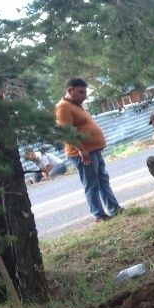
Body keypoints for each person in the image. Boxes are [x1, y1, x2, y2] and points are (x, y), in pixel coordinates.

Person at [55, 78, 122, 223]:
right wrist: (81, 149)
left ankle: (114, 209)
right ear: (70, 90)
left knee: (103, 181)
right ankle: (99, 215)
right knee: (92, 184)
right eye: (80, 92)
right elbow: (66, 132)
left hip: (93, 150)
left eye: (85, 92)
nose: (84, 95)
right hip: (83, 153)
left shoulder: (77, 105)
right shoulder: (63, 107)